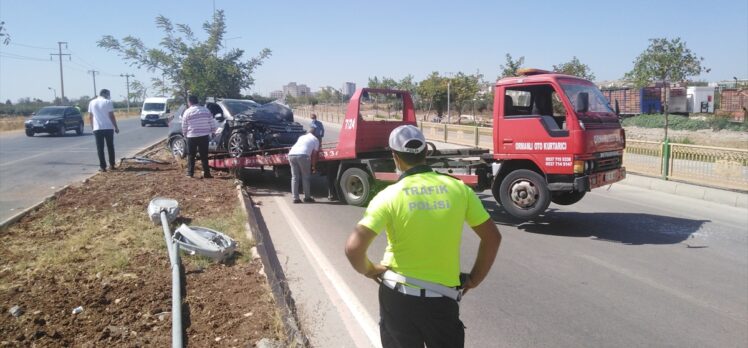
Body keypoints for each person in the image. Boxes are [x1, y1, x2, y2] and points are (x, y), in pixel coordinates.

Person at [345, 125, 502, 348]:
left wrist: (369, 269)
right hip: (442, 300)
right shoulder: (459, 189)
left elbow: (353, 248)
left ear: (395, 157)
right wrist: (474, 278)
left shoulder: (388, 195)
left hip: (398, 297)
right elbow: (492, 238)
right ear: (426, 152)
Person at [181, 95, 216, 179]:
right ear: (197, 101)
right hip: (204, 136)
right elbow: (211, 122)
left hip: (191, 136)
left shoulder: (187, 112)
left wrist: (184, 134)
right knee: (204, 155)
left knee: (191, 155)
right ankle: (206, 173)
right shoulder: (206, 110)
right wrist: (213, 131)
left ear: (190, 102)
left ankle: (190, 173)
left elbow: (184, 125)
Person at [87, 89, 119, 172]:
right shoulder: (108, 102)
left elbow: (90, 116)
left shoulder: (92, 102)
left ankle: (102, 167)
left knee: (100, 148)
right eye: (108, 94)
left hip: (97, 128)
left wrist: (92, 127)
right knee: (110, 147)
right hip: (108, 127)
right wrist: (116, 127)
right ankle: (112, 165)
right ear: (104, 94)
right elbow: (111, 116)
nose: (109, 95)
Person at [288, 129, 320, 203]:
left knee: (294, 177)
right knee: (305, 177)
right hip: (303, 156)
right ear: (315, 134)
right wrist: (313, 166)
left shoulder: (302, 137)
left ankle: (295, 198)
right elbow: (314, 155)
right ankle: (307, 198)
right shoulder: (315, 139)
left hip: (291, 155)